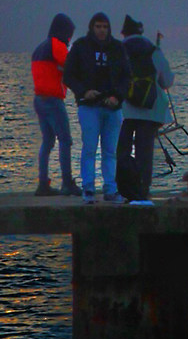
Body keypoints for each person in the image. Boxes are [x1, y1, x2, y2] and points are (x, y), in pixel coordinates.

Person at [64, 11, 130, 201]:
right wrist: (84, 91)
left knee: (110, 151)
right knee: (89, 149)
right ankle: (89, 189)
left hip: (113, 108)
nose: (101, 30)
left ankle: (110, 189)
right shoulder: (80, 47)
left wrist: (118, 97)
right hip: (89, 107)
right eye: (98, 26)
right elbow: (68, 75)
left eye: (105, 27)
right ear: (92, 28)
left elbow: (127, 76)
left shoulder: (118, 48)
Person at [116, 14, 174, 201]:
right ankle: (143, 188)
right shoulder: (153, 50)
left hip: (128, 110)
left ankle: (123, 186)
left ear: (124, 34)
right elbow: (167, 81)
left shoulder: (118, 50)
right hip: (152, 109)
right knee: (145, 150)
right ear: (141, 32)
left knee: (123, 149)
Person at [30, 12, 79, 195]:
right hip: (53, 100)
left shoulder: (38, 49)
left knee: (48, 142)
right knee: (65, 140)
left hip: (39, 100)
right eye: (69, 34)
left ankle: (43, 184)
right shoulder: (56, 45)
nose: (69, 38)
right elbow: (71, 65)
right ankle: (67, 183)